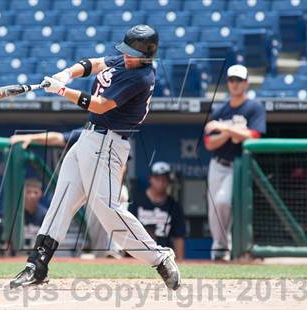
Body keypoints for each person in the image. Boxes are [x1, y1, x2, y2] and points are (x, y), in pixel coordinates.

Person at [10, 24, 181, 290]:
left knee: (107, 209)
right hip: (88, 138)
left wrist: (61, 91)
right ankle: (37, 265)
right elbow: (95, 63)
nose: (125, 56)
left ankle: (159, 257)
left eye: (132, 53)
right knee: (62, 200)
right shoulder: (126, 61)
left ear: (147, 55)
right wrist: (66, 74)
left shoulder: (142, 77)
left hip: (110, 142)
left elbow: (100, 105)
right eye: (125, 51)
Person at [11, 128, 128, 258]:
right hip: (88, 188)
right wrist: (31, 137)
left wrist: (115, 186)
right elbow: (57, 137)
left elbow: (122, 164)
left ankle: (114, 251)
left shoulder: (111, 136)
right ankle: (103, 256)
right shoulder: (86, 134)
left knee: (120, 196)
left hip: (109, 183)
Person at [204, 64, 266, 261]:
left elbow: (254, 135)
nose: (235, 84)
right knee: (215, 208)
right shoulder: (221, 108)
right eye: (231, 80)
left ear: (246, 83)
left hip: (238, 167)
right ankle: (219, 251)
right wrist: (231, 131)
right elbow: (209, 143)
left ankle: (225, 248)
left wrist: (224, 128)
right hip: (217, 164)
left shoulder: (254, 107)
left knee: (223, 202)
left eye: (239, 80)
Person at [130, 162, 185, 260]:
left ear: (169, 181)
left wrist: (180, 260)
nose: (161, 182)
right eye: (157, 179)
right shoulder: (137, 201)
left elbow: (178, 237)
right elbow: (128, 232)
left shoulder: (174, 206)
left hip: (164, 256)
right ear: (150, 179)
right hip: (138, 254)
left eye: (164, 179)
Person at [23, 178, 48, 248]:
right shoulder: (15, 213)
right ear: (23, 193)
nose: (32, 196)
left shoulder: (45, 214)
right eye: (28, 192)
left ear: (40, 193)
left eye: (35, 192)